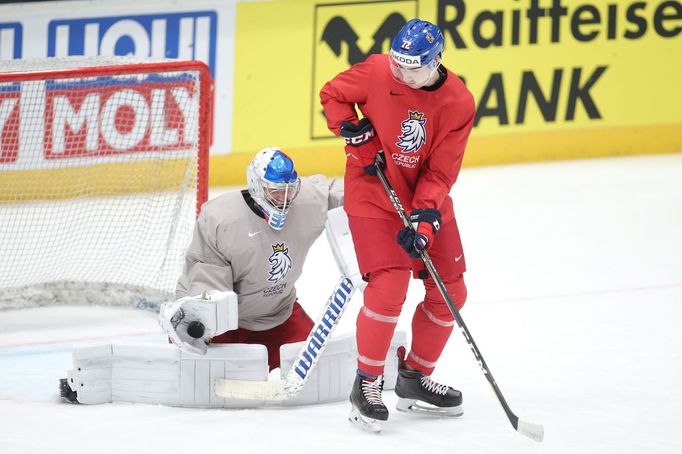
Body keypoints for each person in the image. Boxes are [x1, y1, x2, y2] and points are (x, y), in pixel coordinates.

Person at [320, 18, 475, 430]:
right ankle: (367, 382)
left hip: (426, 201)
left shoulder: (458, 102)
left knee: (451, 292)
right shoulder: (375, 71)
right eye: (398, 65)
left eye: (413, 68)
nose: (403, 75)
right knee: (389, 286)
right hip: (373, 195)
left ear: (436, 60)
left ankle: (414, 378)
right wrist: (353, 131)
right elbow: (332, 94)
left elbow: (441, 172)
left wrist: (425, 218)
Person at [173, 147, 344, 370]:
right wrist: (202, 322)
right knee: (202, 375)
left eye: (289, 190)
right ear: (257, 187)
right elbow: (207, 281)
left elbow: (344, 191)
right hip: (222, 323)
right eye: (275, 191)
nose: (284, 199)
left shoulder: (306, 202)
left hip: (277, 316)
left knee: (322, 369)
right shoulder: (221, 220)